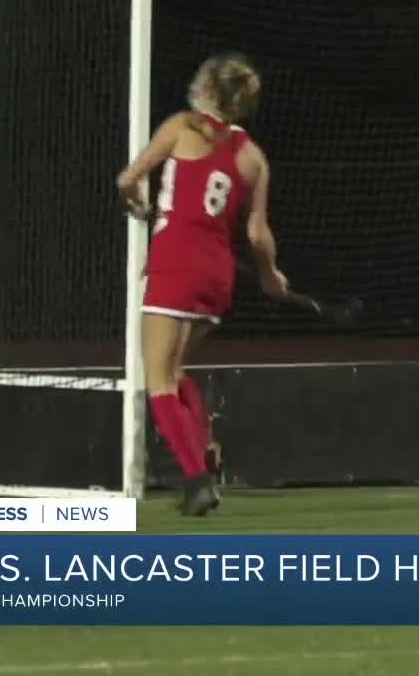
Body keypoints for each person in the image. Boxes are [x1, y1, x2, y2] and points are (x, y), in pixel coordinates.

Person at [117, 53, 289, 516]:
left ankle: (195, 480)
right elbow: (256, 234)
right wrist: (271, 276)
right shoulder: (254, 157)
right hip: (217, 276)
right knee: (175, 374)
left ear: (209, 89)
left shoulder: (182, 127)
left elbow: (130, 179)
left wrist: (139, 202)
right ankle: (205, 457)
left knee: (156, 381)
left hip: (174, 263)